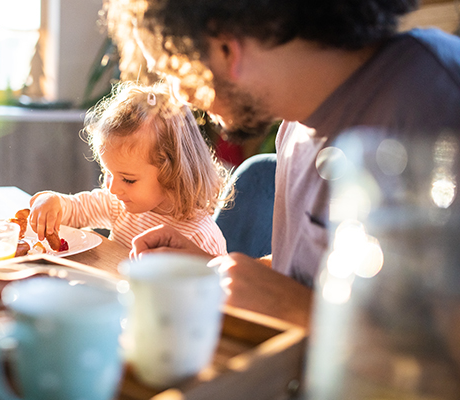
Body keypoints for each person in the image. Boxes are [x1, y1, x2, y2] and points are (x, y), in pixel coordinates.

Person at [104, 0, 460, 289]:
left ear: (228, 48)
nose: (183, 97)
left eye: (181, 74)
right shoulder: (295, 120)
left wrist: (295, 311)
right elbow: (309, 275)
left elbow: (438, 343)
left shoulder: (435, 104)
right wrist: (210, 266)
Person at [29, 82, 231, 256]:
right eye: (108, 173)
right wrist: (53, 202)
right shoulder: (119, 205)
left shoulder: (200, 238)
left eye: (128, 179)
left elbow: (219, 295)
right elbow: (76, 210)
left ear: (172, 174)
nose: (113, 189)